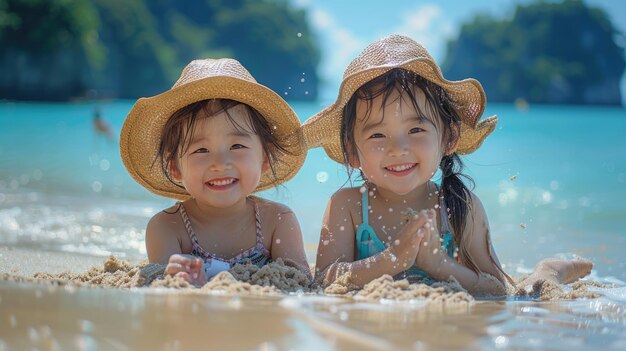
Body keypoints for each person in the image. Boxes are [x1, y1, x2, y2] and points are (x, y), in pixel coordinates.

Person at [303, 35, 591, 296]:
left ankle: (550, 269)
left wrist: (438, 264)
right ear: (353, 153)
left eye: (416, 130)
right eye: (377, 135)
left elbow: (497, 288)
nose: (398, 148)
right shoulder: (349, 206)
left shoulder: (458, 205)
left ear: (449, 138)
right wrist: (392, 259)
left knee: (529, 294)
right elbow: (324, 278)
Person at [120, 58, 310, 287]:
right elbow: (160, 283)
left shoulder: (277, 221)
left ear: (265, 159)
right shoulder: (167, 227)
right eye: (201, 150)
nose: (220, 163)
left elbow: (300, 282)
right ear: (175, 167)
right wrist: (178, 277)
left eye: (237, 146)